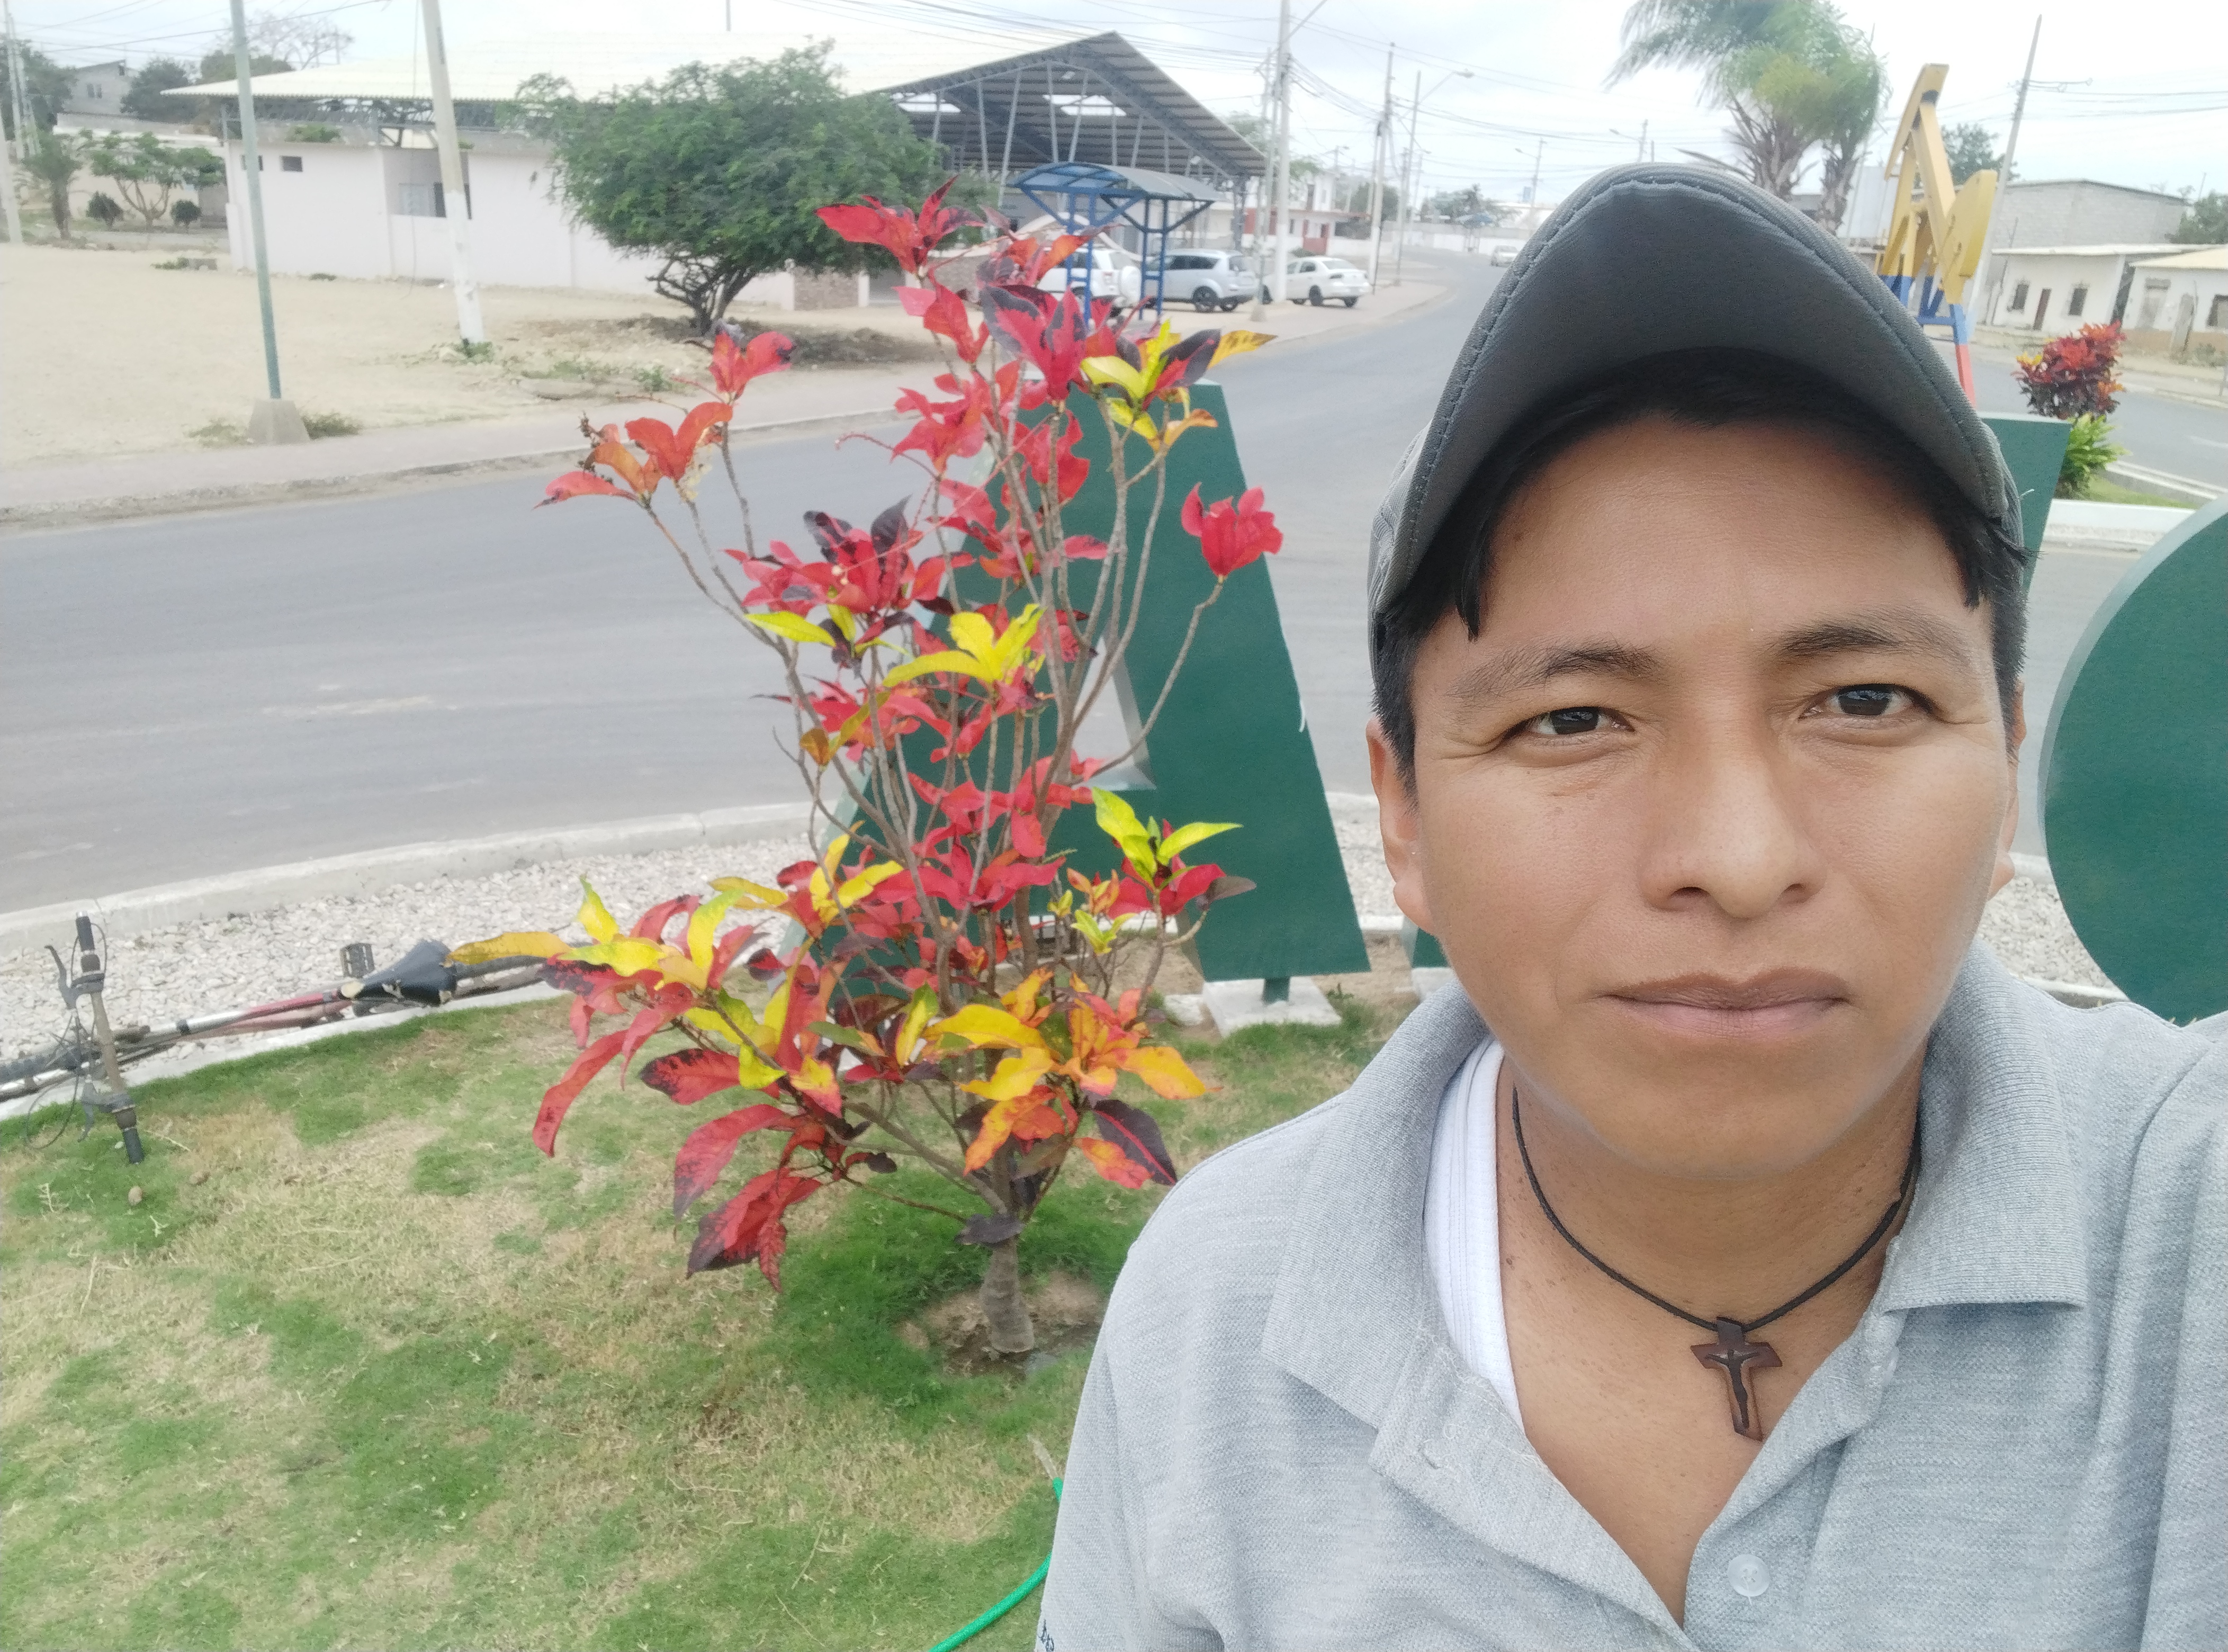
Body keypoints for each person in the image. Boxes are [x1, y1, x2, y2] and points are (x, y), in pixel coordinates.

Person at [1036, 165, 2223, 1649]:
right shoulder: (1215, 1312)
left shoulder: (2193, 1225)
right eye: (1574, 721)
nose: (1737, 859)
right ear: (1405, 818)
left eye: (1865, 700)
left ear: (2003, 771)